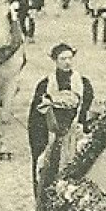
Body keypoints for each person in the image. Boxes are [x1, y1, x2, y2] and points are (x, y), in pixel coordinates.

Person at [26, 43, 95, 191]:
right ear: (55, 61)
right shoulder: (45, 85)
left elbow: (88, 110)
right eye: (63, 59)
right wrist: (41, 142)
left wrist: (84, 127)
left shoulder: (83, 84)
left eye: (70, 58)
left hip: (76, 136)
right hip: (52, 137)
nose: (67, 62)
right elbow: (35, 118)